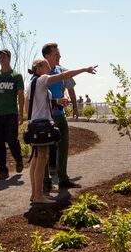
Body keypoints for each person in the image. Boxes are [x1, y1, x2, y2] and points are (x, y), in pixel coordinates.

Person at [26, 58, 97, 204]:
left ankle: (35, 194)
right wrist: (84, 69)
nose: (49, 68)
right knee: (42, 159)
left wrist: (57, 102)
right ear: (39, 67)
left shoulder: (33, 82)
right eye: (46, 66)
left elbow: (35, 103)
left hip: (34, 124)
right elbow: (64, 76)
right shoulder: (43, 79)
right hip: (42, 126)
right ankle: (39, 196)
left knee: (35, 160)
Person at [39, 41, 80, 191]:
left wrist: (75, 106)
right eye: (56, 54)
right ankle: (46, 182)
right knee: (44, 148)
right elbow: (38, 96)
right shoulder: (41, 73)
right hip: (46, 117)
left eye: (59, 54)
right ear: (47, 56)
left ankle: (63, 178)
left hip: (60, 115)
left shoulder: (62, 70)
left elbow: (70, 88)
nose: (59, 56)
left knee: (63, 146)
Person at [0, 49, 25, 181]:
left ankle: (18, 159)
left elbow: (20, 95)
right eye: (0, 57)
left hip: (11, 114)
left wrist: (21, 114)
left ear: (9, 58)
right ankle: (3, 169)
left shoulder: (16, 76)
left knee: (12, 140)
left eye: (4, 57)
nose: (2, 59)